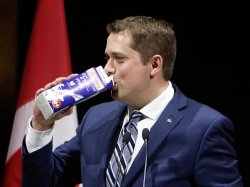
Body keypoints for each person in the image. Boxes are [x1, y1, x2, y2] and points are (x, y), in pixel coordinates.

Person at [22, 16, 243, 187]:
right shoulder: (97, 117)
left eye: (119, 59)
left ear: (155, 65)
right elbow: (44, 182)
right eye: (107, 58)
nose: (107, 69)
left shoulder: (205, 128)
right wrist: (42, 125)